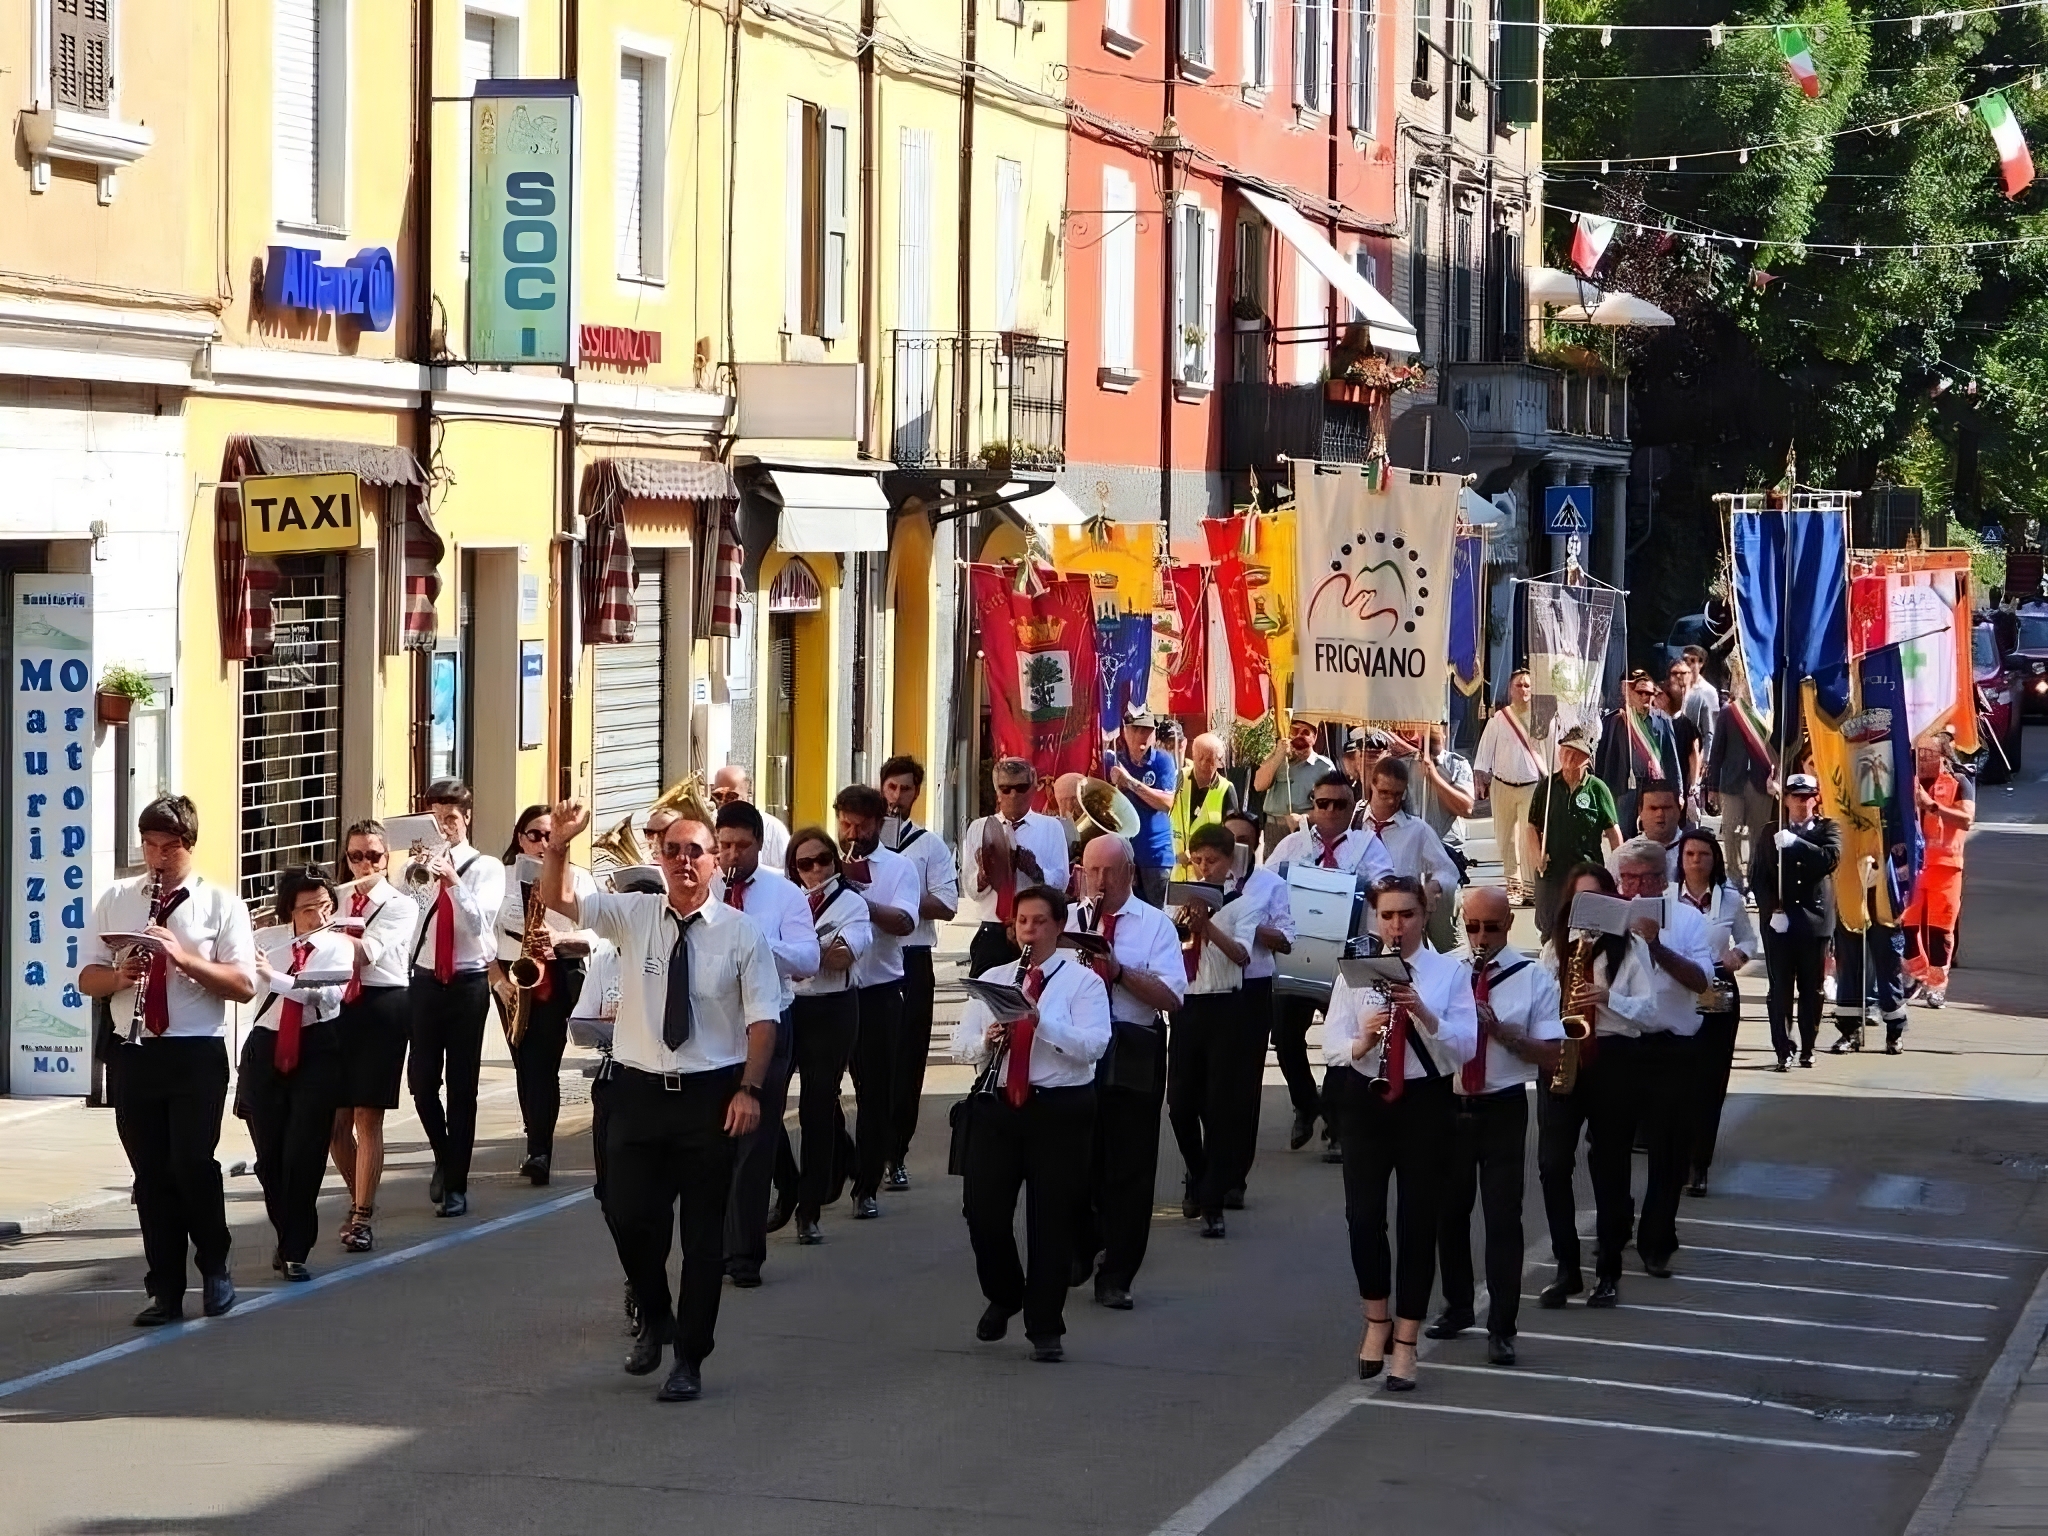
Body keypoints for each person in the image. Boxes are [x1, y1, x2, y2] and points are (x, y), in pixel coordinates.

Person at [538, 798, 780, 1404]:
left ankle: (689, 1358)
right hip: (639, 1091)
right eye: (672, 851)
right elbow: (559, 899)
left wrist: (749, 1089)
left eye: (695, 851)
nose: (683, 860)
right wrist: (560, 844)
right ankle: (654, 1312)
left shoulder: (741, 933)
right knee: (626, 1214)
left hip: (710, 1096)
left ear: (716, 861)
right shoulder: (635, 914)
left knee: (702, 1239)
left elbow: (763, 1020)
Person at [79, 794, 257, 1325]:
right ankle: (165, 1290)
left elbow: (243, 985)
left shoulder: (221, 904)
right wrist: (120, 975)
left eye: (169, 846)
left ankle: (215, 1266)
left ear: (190, 845)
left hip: (195, 1050)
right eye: (150, 845)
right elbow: (87, 978)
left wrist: (181, 957)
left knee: (192, 1164)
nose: (158, 856)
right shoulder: (117, 898)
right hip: (134, 1052)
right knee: (151, 1173)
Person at [1323, 875, 1477, 1392]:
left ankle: (1407, 1342)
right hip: (1366, 1099)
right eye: (1387, 916)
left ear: (1423, 916)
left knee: (1418, 1220)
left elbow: (1465, 1047)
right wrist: (1363, 1042)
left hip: (1424, 1102)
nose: (1397, 926)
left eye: (1406, 915)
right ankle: (1376, 1320)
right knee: (1363, 1217)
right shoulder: (1357, 971)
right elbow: (1333, 1044)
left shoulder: (1448, 972)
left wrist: (1424, 1013)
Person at [953, 884, 1112, 1362]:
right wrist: (987, 1040)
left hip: (1059, 1109)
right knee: (982, 1212)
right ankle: (1005, 1293)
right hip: (999, 1106)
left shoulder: (1083, 982)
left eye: (1040, 922)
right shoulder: (995, 979)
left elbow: (1093, 1046)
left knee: (1051, 1221)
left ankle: (1045, 1326)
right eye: (1022, 922)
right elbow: (960, 1046)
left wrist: (1039, 1020)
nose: (1030, 931)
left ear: (1059, 927)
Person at [1427, 886, 1563, 1366]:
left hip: (1502, 1105)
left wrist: (1503, 1033)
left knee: (1503, 1218)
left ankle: (1502, 1327)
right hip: (1450, 1103)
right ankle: (1457, 1305)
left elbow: (1553, 1055)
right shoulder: (1446, 970)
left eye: (1491, 927)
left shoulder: (1532, 978)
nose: (1481, 937)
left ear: (1508, 925)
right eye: (1473, 927)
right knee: (1449, 1212)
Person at [1067, 834, 1184, 1309]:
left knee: (1130, 1165)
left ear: (1130, 874)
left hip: (1132, 1044)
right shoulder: (1068, 921)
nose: (1100, 882)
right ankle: (1083, 1243)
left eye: (1109, 872)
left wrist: (1118, 972)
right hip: (1077, 1046)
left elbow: (1172, 998)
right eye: (1091, 871)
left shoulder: (1155, 925)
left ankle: (1118, 1273)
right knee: (1076, 1156)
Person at [713, 800, 820, 1286]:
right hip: (713, 1026)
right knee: (713, 1142)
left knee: (754, 1142)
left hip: (769, 1022)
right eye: (724, 845)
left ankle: (744, 1256)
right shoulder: (703, 888)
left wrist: (753, 940)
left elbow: (808, 959)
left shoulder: (784, 893)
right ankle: (713, 1245)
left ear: (760, 844)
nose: (732, 855)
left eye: (742, 845)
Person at [1269, 772, 1394, 1157]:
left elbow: (1387, 889)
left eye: (1340, 804)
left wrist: (1371, 887)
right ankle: (1307, 1105)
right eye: (1323, 803)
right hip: (1298, 956)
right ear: (1312, 804)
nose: (1331, 811)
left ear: (1352, 807)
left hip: (1348, 959)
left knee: (1345, 1043)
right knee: (1286, 1040)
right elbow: (1264, 887)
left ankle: (1339, 1128)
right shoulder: (1292, 844)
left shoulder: (1367, 846)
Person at [404, 778, 507, 1219]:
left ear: (466, 818)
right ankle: (444, 1156)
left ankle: (456, 1186)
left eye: (450, 819)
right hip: (425, 981)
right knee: (421, 1082)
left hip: (467, 982)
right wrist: (418, 876)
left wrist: (452, 881)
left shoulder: (487, 868)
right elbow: (408, 919)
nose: (444, 827)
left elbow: (478, 923)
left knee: (463, 1087)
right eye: (435, 820)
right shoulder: (413, 868)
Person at [242, 866, 346, 1282]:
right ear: (290, 910)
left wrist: (274, 977)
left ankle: (295, 1248)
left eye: (325, 905)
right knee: (269, 1158)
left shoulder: (337, 946)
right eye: (307, 909)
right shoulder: (268, 940)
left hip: (316, 1048)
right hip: (266, 1048)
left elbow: (326, 995)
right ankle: (286, 1233)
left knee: (305, 1153)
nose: (319, 916)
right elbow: (240, 980)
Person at [491, 805, 597, 1187]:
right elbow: (483, 933)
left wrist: (559, 938)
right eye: (534, 835)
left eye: (549, 835)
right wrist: (497, 980)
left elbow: (594, 935)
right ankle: (534, 1130)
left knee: (542, 1063)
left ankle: (540, 1150)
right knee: (523, 1059)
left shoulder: (579, 878)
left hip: (556, 972)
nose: (541, 842)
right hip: (511, 973)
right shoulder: (500, 877)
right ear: (520, 838)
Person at [1166, 824, 1261, 1238]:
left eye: (1213, 861)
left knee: (1221, 1106)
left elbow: (1241, 955)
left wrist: (1208, 926)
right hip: (1187, 1006)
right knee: (1180, 1105)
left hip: (1225, 1006)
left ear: (1229, 862)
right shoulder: (1178, 901)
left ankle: (1212, 1201)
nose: (1205, 868)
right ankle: (1200, 1172)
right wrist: (1184, 923)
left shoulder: (1243, 904)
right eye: (1199, 861)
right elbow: (1168, 950)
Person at [328, 819, 416, 1253]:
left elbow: (367, 952)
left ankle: (362, 1214)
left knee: (367, 1116)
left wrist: (319, 933)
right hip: (338, 1004)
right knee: (334, 1122)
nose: (364, 864)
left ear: (386, 858)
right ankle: (357, 1196)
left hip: (382, 1005)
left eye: (373, 856)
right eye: (356, 856)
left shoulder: (400, 904)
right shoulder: (334, 900)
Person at [780, 829, 870, 1243]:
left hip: (832, 1010)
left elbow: (841, 958)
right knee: (763, 1098)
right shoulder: (785, 900)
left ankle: (809, 1208)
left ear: (835, 861)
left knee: (816, 1105)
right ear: (793, 869)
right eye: (805, 864)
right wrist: (808, 952)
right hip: (787, 1007)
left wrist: (795, 953)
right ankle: (791, 1181)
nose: (816, 870)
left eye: (823, 861)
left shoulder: (852, 903)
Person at [836, 784, 919, 1220]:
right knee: (820, 1093)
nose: (852, 834)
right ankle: (845, 1161)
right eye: (845, 824)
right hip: (831, 994)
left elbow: (904, 922)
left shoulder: (899, 867)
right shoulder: (823, 862)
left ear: (878, 823)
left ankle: (866, 1186)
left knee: (874, 1095)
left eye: (861, 826)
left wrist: (857, 900)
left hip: (878, 993)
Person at [878, 755, 959, 1189]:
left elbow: (947, 904)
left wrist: (903, 896)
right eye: (891, 787)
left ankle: (896, 1152)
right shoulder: (860, 843)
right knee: (865, 1060)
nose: (897, 796)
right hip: (869, 957)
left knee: (907, 1058)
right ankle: (866, 1148)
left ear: (916, 793)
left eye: (905, 789)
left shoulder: (929, 845)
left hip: (911, 956)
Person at [1672, 829, 1757, 1196]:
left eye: (1703, 854)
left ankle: (1699, 1164)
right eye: (1689, 854)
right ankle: (1676, 1156)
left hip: (1717, 988)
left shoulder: (1730, 899)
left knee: (1710, 1078)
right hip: (1676, 989)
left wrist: (1739, 955)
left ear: (1715, 859)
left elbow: (1749, 938)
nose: (1696, 861)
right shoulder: (1666, 899)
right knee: (1679, 1079)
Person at [1220, 809, 1295, 1205]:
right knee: (1202, 1086)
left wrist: (1245, 920)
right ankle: (1202, 1169)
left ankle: (1235, 1176)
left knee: (1244, 1085)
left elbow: (1286, 939)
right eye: (1228, 841)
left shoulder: (1271, 884)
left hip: (1252, 987)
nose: (1235, 849)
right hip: (1208, 990)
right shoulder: (1202, 877)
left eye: (1243, 841)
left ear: (1256, 844)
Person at [1750, 774, 1842, 1070]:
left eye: (1807, 796)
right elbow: (1759, 877)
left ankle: (1808, 1046)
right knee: (1779, 988)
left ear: (1817, 798)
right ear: (1786, 799)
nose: (1802, 802)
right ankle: (1783, 1048)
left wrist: (1797, 844)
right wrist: (1771, 910)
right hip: (1781, 921)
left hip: (1814, 921)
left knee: (1811, 989)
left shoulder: (1827, 829)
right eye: (1796, 796)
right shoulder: (1771, 831)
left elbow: (1830, 859)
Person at [962, 759, 1070, 974]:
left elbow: (1062, 884)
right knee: (985, 991)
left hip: (1033, 928)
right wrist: (984, 876)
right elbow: (970, 889)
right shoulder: (979, 827)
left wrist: (1035, 871)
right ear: (997, 792)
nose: (1013, 795)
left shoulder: (1051, 827)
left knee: (1035, 989)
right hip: (993, 927)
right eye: (1006, 789)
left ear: (1033, 788)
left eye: (1021, 788)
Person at [1522, 726, 1623, 941]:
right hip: (1552, 870)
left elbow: (1613, 832)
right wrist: (1537, 856)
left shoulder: (1597, 789)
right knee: (1550, 928)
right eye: (1566, 751)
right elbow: (1532, 827)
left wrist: (1618, 869)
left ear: (1587, 760)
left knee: (1587, 929)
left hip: (1586, 871)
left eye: (1576, 754)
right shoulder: (1547, 787)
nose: (1569, 758)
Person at [1357, 757, 1461, 952]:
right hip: (1359, 925)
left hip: (1400, 928)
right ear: (1372, 784)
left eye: (1397, 794)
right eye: (1384, 792)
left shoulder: (1417, 830)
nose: (1391, 800)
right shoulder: (1353, 822)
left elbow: (1448, 871)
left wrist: (1434, 886)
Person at [1902, 738, 1975, 1009]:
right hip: (1911, 866)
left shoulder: (1959, 782)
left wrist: (1931, 805)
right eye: (1920, 753)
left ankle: (1936, 985)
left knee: (1940, 932)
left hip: (1945, 867)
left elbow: (1967, 819)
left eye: (1930, 753)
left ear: (1943, 755)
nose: (1924, 758)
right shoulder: (1905, 781)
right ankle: (1916, 974)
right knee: (1905, 926)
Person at [1474, 670, 1547, 907]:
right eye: (1519, 685)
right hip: (1502, 786)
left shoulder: (1540, 719)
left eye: (1527, 685)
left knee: (1528, 838)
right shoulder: (1499, 719)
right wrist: (1481, 777)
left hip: (1530, 787)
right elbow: (1485, 751)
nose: (1524, 690)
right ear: (1510, 689)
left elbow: (1549, 750)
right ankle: (1513, 885)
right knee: (1505, 839)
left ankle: (1530, 889)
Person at [1831, 867, 1909, 1056]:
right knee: (1849, 969)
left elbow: (1911, 858)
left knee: (1889, 970)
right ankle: (1849, 1031)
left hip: (1886, 898)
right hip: (1849, 896)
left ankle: (1894, 1033)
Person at [1104, 707, 1179, 906]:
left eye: (1147, 730)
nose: (1141, 736)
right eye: (1136, 729)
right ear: (1125, 731)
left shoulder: (1163, 760)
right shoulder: (1113, 760)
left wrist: (1130, 783)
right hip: (1122, 857)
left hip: (1156, 857)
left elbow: (1166, 803)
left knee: (1157, 916)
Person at [1703, 693, 1775, 895]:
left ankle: (1753, 880)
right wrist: (1712, 787)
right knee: (1731, 831)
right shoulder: (1729, 712)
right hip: (1732, 782)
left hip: (1761, 782)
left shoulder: (1768, 711)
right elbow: (1717, 750)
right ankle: (1734, 878)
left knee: (1758, 835)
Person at [1413, 724, 1476, 952]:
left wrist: (1434, 777)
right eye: (1424, 726)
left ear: (1445, 730)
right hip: (1412, 860)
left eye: (1435, 726)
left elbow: (1465, 807)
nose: (1430, 731)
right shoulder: (1405, 764)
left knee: (1448, 942)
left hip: (1445, 860)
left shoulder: (1457, 765)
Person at [1596, 670, 1682, 837]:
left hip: (1653, 785)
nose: (1644, 697)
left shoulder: (1662, 721)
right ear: (1631, 694)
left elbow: (1671, 759)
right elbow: (1604, 757)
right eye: (1640, 692)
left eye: (1648, 693)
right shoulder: (1616, 720)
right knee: (1624, 834)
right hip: (1625, 786)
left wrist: (1678, 791)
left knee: (1654, 833)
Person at [1253, 716, 1335, 857]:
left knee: (1303, 866)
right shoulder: (1276, 759)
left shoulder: (1324, 767)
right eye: (1294, 731)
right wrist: (1278, 755)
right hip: (1274, 828)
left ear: (1314, 738)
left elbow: (1332, 805)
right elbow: (1258, 785)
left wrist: (1304, 819)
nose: (1299, 736)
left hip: (1307, 828)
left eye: (1305, 732)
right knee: (1273, 868)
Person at [1169, 732, 1239, 878]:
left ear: (1219, 761)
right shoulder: (1179, 778)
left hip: (1206, 873)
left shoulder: (1226, 789)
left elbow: (1231, 835)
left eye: (1208, 759)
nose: (1202, 764)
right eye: (1199, 757)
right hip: (1173, 869)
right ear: (1192, 755)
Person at [710, 764, 789, 871]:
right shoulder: (709, 828)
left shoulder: (773, 829)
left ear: (747, 792)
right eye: (718, 796)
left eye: (730, 796)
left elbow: (783, 873)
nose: (723, 802)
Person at [1611, 783, 1684, 883]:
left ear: (1679, 811)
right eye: (1653, 808)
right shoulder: (1623, 855)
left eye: (1666, 808)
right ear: (1640, 812)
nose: (1660, 814)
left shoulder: (1694, 852)